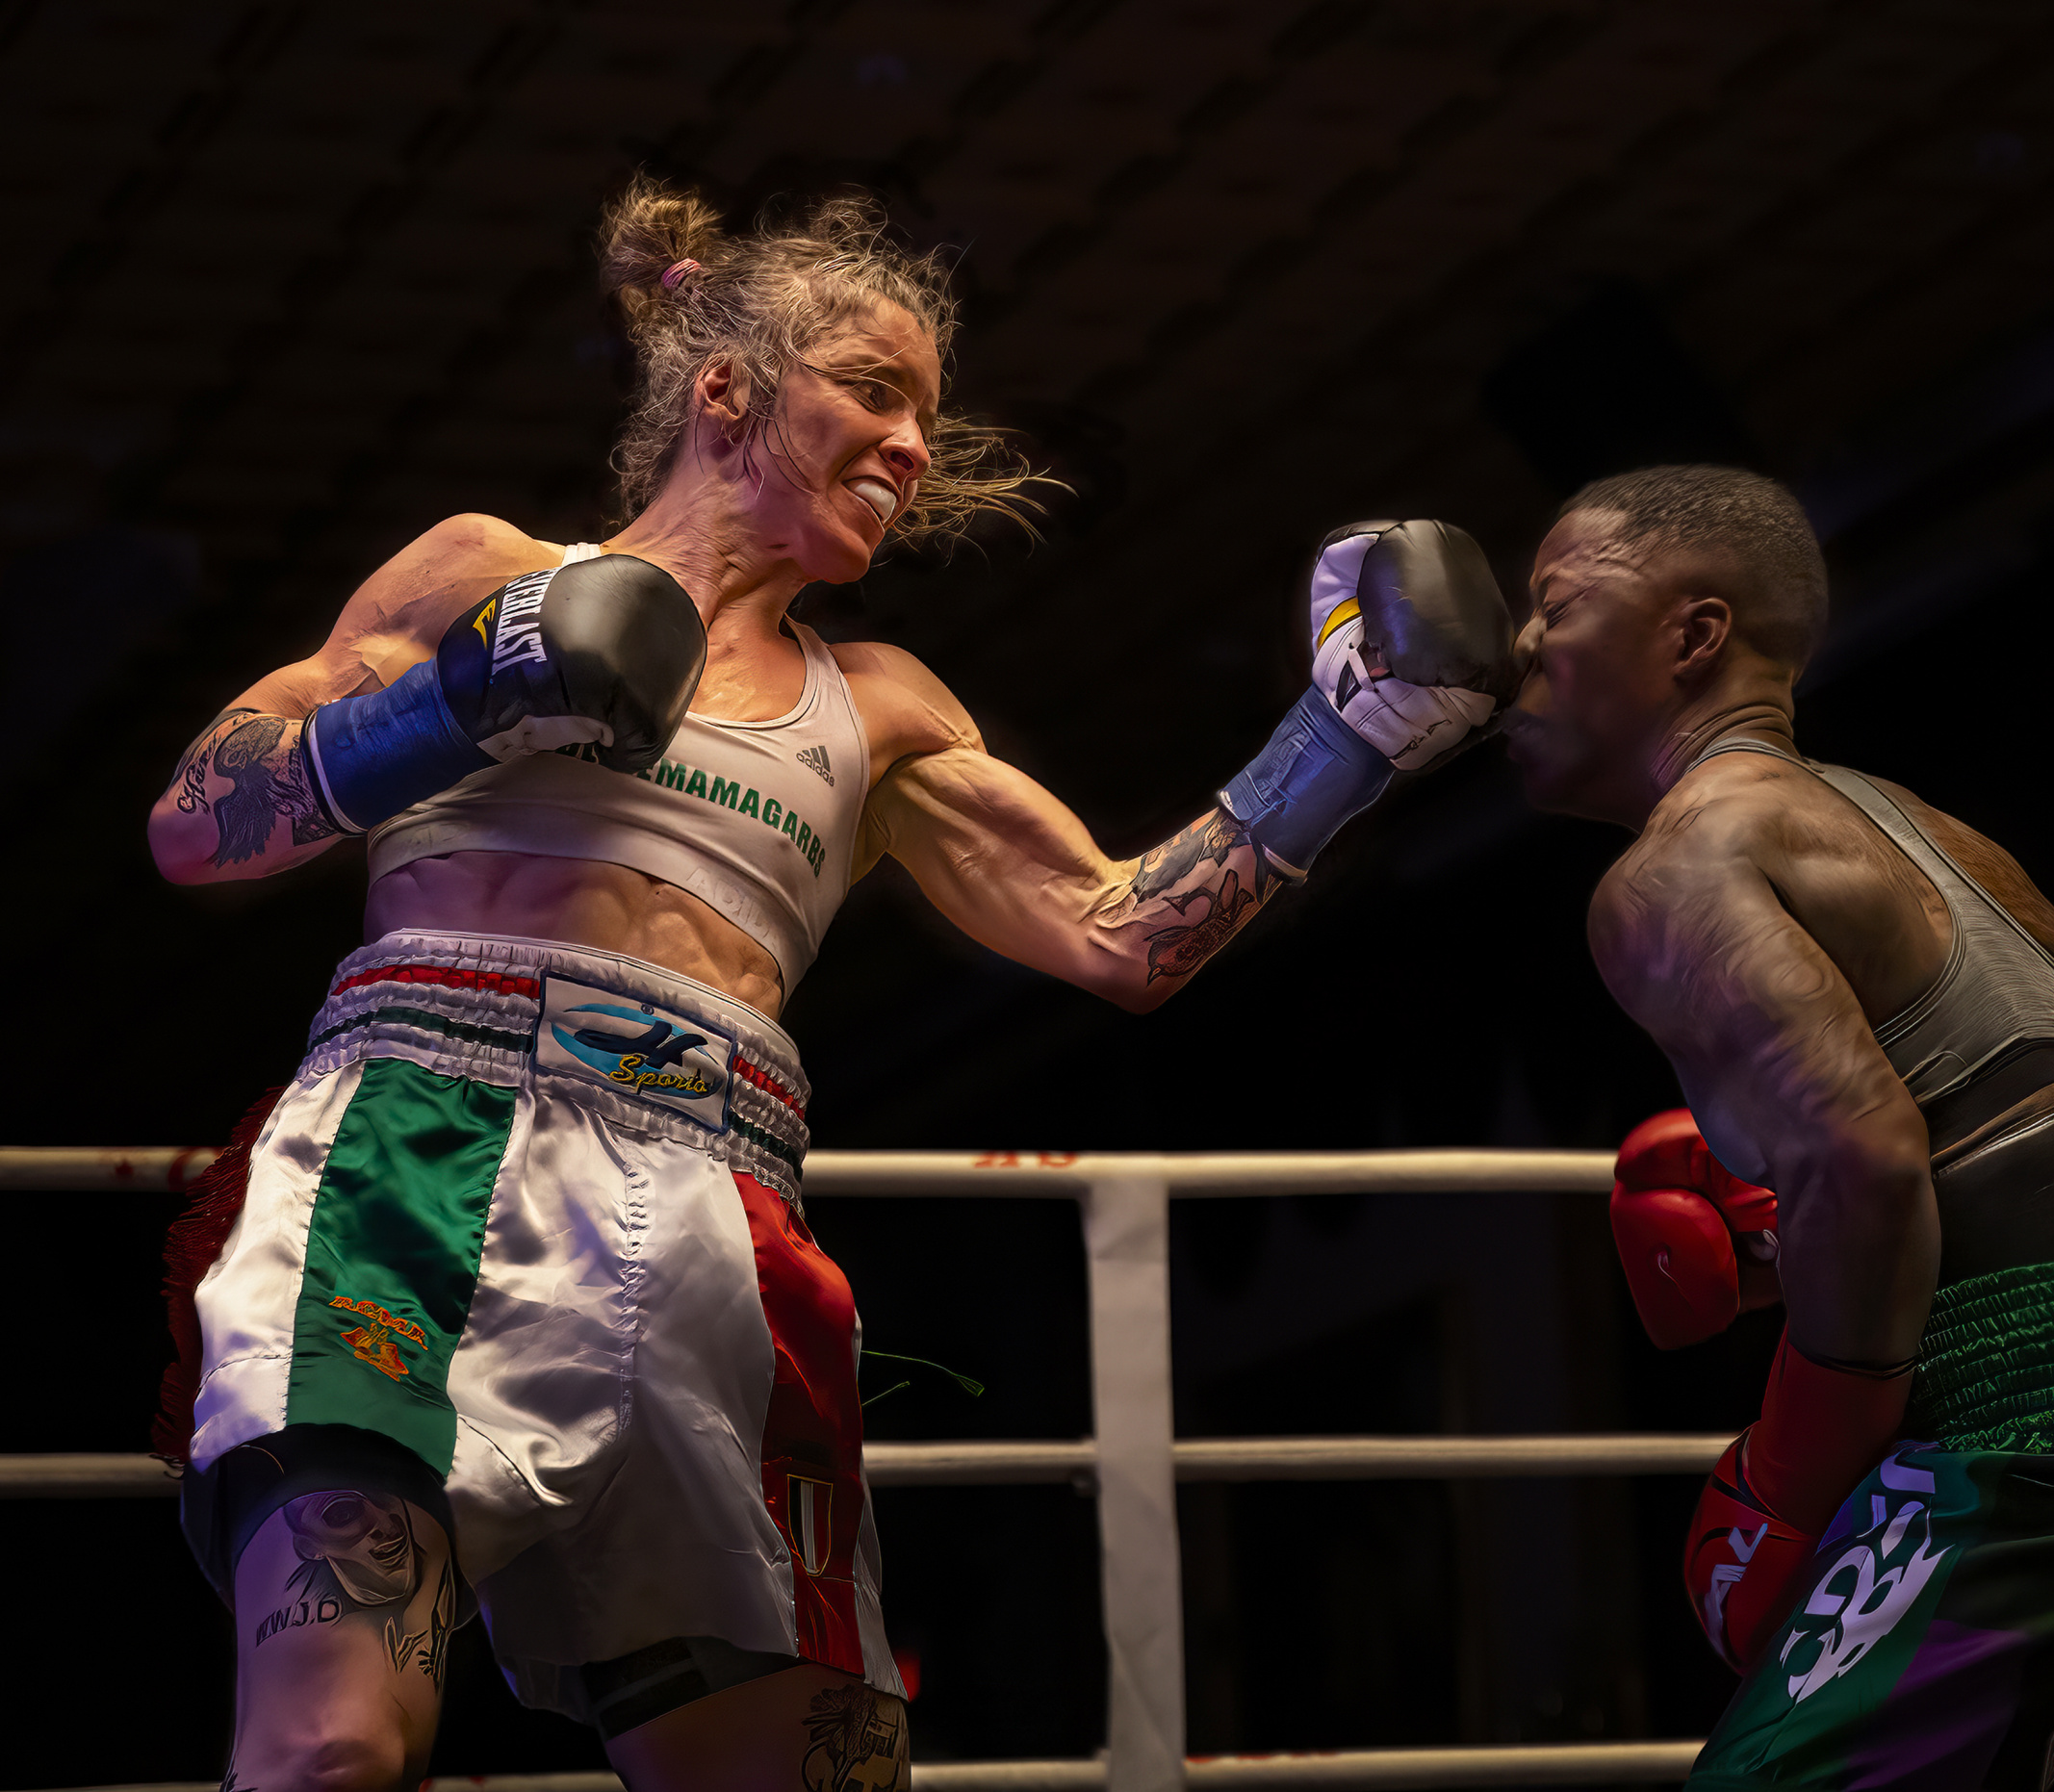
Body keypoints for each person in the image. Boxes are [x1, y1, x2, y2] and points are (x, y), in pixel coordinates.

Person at [147, 178, 1520, 1792]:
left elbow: (1119, 933)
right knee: (330, 1749)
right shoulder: (486, 569)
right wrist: (455, 698)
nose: (915, 445)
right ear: (728, 390)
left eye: (928, 414)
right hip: (416, 1159)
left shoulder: (879, 708)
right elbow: (194, 825)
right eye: (875, 390)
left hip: (720, 1224)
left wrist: (1348, 743)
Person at [1506, 464, 2054, 1788]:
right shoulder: (1937, 835)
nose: (1520, 647)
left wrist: (1790, 1476)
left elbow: (1869, 1159)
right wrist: (1790, 1232)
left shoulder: (1672, 870)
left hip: (2051, 1425)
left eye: (1555, 605)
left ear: (1694, 632)